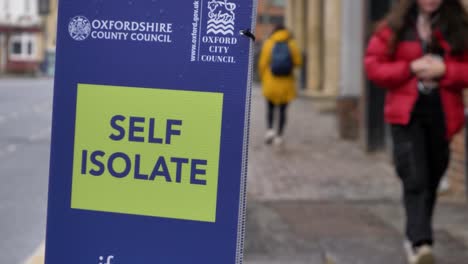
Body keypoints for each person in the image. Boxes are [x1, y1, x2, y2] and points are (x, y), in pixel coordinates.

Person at [365, 0, 468, 263]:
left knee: (432, 176)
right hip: (406, 113)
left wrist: (445, 70)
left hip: (443, 113)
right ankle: (420, 242)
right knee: (415, 176)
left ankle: (416, 236)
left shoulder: (458, 26)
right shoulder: (394, 27)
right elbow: (374, 66)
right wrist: (409, 68)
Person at [258, 25, 302, 146]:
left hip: (270, 81)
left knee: (270, 107)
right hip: (286, 83)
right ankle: (279, 135)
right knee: (282, 110)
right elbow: (298, 62)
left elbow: (262, 63)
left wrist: (263, 77)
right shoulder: (292, 43)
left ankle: (269, 131)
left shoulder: (269, 43)